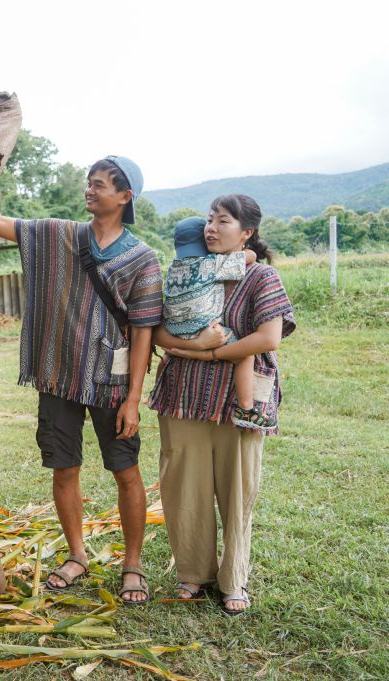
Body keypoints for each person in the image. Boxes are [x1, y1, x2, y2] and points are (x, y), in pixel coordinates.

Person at [0, 133, 163, 604]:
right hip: (58, 376)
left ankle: (133, 565)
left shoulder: (142, 259)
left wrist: (133, 400)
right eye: (89, 182)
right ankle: (78, 555)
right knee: (64, 470)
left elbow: (143, 333)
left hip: (111, 382)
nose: (91, 190)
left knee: (126, 473)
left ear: (125, 197)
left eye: (101, 184)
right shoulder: (58, 234)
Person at [149, 194, 295, 615]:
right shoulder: (188, 271)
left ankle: (234, 580)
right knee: (184, 491)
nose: (211, 228)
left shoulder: (261, 278)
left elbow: (267, 338)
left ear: (246, 232)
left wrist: (208, 355)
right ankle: (192, 574)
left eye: (223, 221)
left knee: (237, 491)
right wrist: (194, 344)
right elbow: (159, 333)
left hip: (238, 404)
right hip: (183, 398)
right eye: (209, 220)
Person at [164, 216, 273, 431]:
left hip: (174, 329)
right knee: (244, 355)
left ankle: (160, 391)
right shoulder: (213, 264)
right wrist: (245, 251)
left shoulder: (173, 267)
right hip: (205, 328)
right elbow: (251, 256)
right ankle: (246, 407)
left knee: (167, 358)